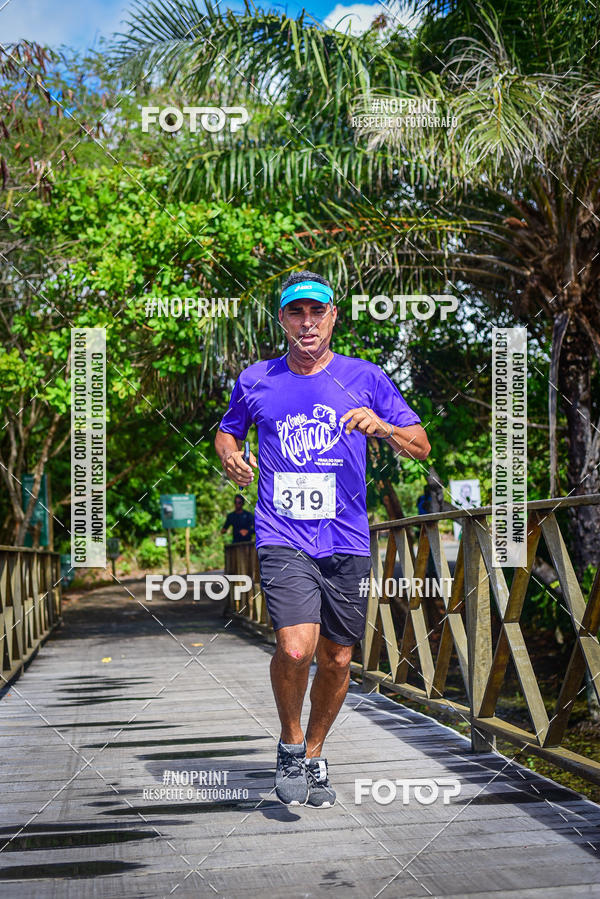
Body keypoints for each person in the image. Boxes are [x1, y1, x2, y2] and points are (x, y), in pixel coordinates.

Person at [215, 271, 430, 808]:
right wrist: (230, 455)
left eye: (317, 312)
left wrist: (382, 426)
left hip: (348, 539)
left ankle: (313, 756)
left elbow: (421, 445)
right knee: (295, 645)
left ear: (334, 316)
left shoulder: (366, 376)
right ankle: (290, 748)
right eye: (295, 313)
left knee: (337, 659)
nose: (307, 323)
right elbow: (228, 430)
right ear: (282, 320)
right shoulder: (257, 378)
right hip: (282, 533)